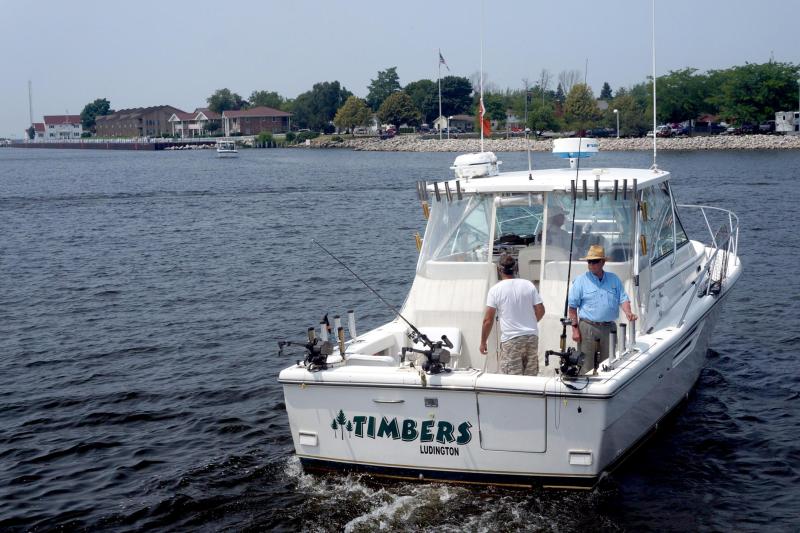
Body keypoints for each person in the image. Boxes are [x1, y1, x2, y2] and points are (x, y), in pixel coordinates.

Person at [567, 245, 637, 375]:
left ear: (603, 262)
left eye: (595, 261)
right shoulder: (580, 281)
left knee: (608, 363)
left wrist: (628, 312)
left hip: (609, 328)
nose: (591, 264)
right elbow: (572, 308)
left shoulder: (614, 279)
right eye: (589, 261)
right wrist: (575, 329)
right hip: (587, 327)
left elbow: (623, 299)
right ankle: (585, 390)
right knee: (585, 364)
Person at [480, 254, 546, 375]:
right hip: (531, 338)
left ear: (499, 269)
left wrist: (483, 342)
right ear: (516, 269)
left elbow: (488, 320)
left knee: (512, 381)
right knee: (531, 379)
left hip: (511, 341)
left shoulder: (495, 290)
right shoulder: (528, 285)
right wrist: (530, 322)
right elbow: (541, 310)